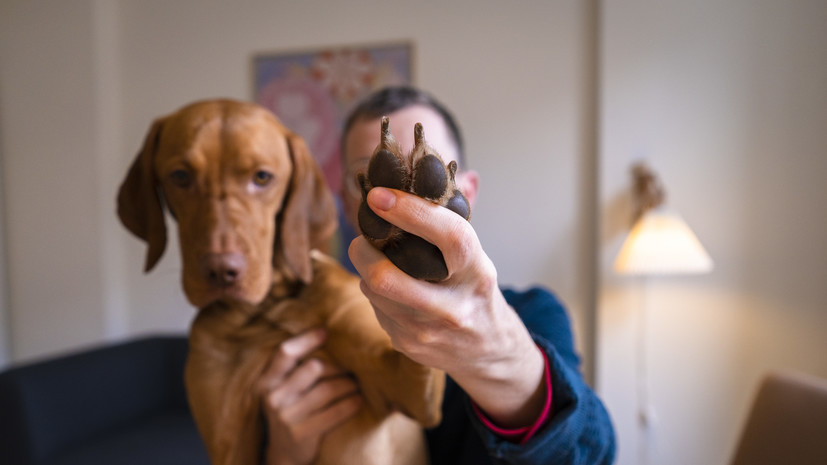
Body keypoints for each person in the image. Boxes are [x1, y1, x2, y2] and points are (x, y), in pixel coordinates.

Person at [259, 86, 616, 465]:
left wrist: (501, 355)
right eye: (371, 177)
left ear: (469, 192)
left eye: (424, 173)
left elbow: (591, 454)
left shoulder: (534, 314)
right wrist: (282, 453)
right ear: (348, 202)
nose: (404, 198)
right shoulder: (301, 330)